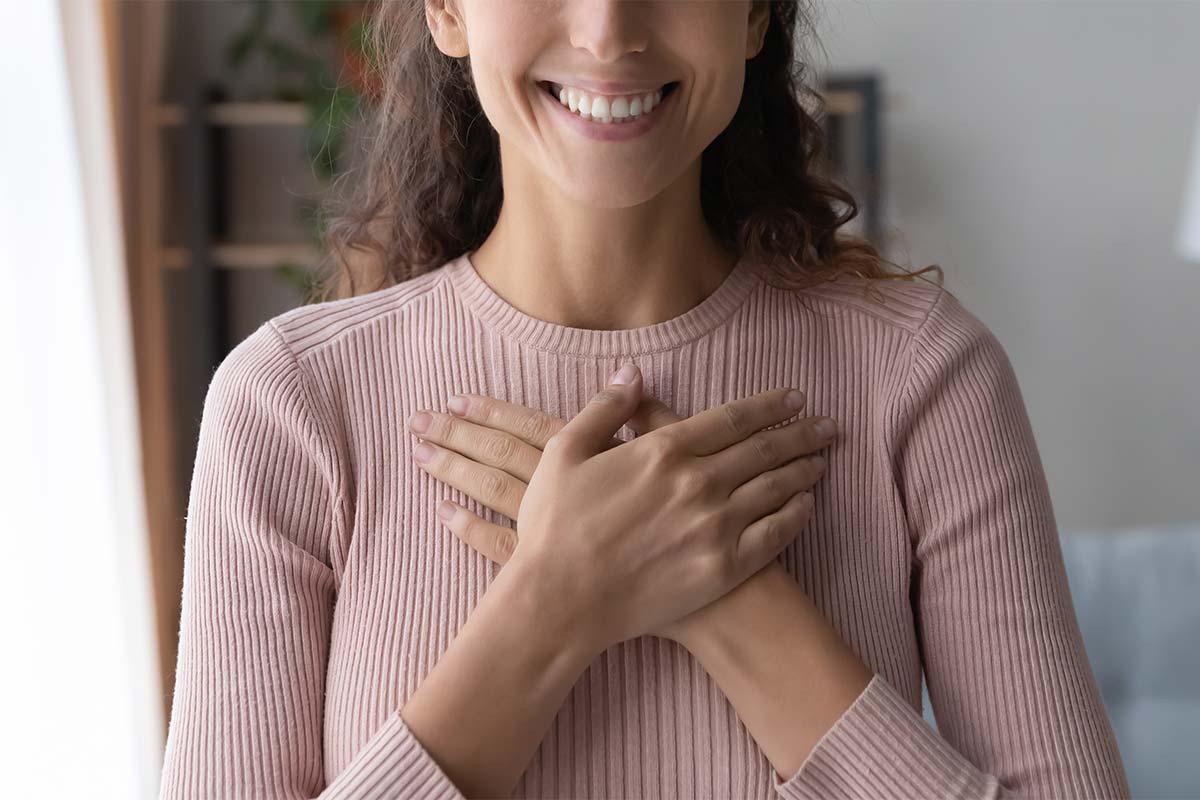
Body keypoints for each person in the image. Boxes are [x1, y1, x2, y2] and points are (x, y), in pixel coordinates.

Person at [158, 1, 1131, 798]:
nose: (608, 30)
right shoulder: (289, 405)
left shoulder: (924, 377)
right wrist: (553, 603)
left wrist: (735, 603)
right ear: (447, 10)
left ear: (755, 16)